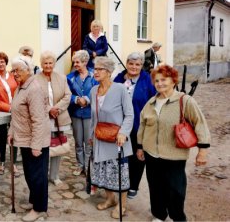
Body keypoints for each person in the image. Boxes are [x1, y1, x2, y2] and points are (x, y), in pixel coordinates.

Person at [137, 65, 210, 221]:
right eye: (156, 80)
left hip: (174, 156)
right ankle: (159, 215)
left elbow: (200, 123)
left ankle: (177, 217)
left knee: (175, 191)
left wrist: (202, 150)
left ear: (173, 81)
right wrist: (140, 147)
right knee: (155, 188)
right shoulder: (151, 102)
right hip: (151, 154)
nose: (159, 83)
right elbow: (143, 125)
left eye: (164, 79)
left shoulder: (185, 100)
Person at [89, 56, 134, 219]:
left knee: (119, 173)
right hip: (100, 137)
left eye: (99, 69)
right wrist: (90, 135)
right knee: (103, 171)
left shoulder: (120, 89)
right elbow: (93, 117)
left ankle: (122, 204)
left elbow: (130, 114)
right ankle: (110, 199)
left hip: (117, 140)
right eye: (95, 69)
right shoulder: (94, 90)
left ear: (108, 72)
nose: (96, 72)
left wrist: (123, 133)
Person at [7, 55, 50, 222]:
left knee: (37, 176)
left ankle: (39, 208)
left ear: (28, 71)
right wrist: (11, 132)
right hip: (23, 139)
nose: (14, 74)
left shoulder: (34, 89)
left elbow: (39, 120)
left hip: (34, 141)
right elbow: (15, 114)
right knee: (30, 174)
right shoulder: (21, 87)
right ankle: (35, 201)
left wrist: (37, 145)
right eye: (13, 70)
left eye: (17, 70)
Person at [113, 52, 157, 199]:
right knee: (121, 154)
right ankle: (120, 182)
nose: (133, 67)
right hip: (120, 124)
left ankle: (133, 186)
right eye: (131, 63)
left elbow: (155, 101)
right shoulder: (119, 78)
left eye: (137, 64)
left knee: (138, 156)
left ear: (141, 66)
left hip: (139, 124)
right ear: (126, 63)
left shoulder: (148, 80)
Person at [35, 51, 72, 186]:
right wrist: (48, 109)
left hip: (59, 117)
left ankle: (54, 176)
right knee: (44, 147)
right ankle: (43, 175)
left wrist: (57, 108)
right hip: (43, 118)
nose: (48, 65)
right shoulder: (35, 79)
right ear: (41, 64)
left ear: (54, 64)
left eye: (50, 63)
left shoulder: (61, 78)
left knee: (58, 146)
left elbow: (68, 95)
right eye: (45, 63)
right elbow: (34, 99)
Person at [0, 52, 20, 177]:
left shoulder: (14, 76)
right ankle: (1, 162)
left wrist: (15, 107)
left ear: (5, 62)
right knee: (2, 138)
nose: (0, 64)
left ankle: (13, 164)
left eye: (2, 61)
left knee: (15, 138)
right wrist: (8, 107)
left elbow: (20, 90)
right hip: (0, 113)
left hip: (16, 112)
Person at [66, 50, 98, 176]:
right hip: (75, 113)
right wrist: (76, 99)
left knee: (89, 142)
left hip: (90, 113)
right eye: (74, 62)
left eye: (78, 62)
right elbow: (66, 94)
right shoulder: (70, 77)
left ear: (85, 62)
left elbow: (98, 90)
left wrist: (88, 100)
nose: (75, 64)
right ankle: (80, 165)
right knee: (78, 142)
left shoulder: (94, 75)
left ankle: (89, 166)